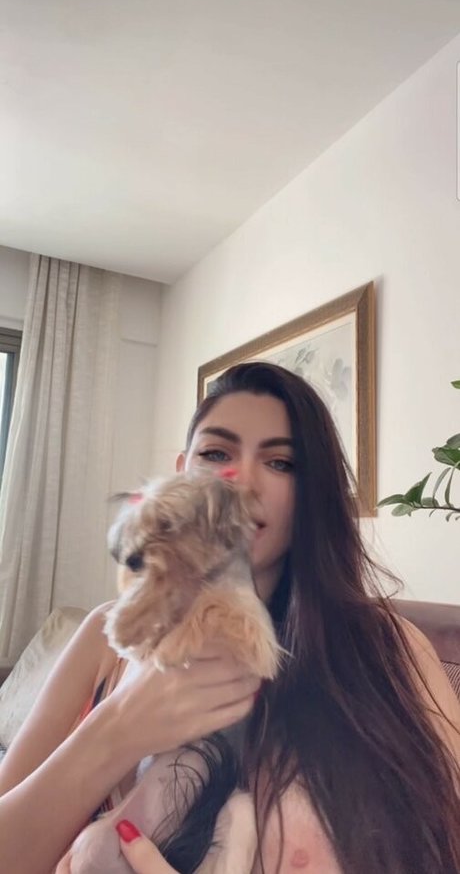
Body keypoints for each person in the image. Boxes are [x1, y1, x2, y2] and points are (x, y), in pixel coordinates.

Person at [0, 361, 459, 874]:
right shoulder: (105, 639)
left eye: (281, 462)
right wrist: (119, 728)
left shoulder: (389, 648)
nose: (241, 481)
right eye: (216, 454)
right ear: (182, 474)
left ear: (313, 492)